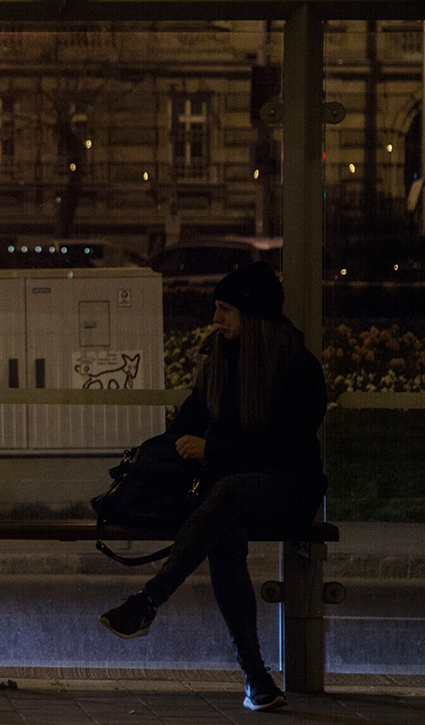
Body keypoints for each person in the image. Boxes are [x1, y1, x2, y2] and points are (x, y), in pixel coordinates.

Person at [99, 261, 327, 714]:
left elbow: (286, 448)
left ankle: (148, 600)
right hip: (233, 496)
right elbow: (186, 425)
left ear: (253, 313)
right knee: (224, 526)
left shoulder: (297, 367)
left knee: (228, 495)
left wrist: (212, 449)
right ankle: (257, 682)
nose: (215, 319)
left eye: (224, 309)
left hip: (290, 490)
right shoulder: (220, 361)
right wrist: (164, 455)